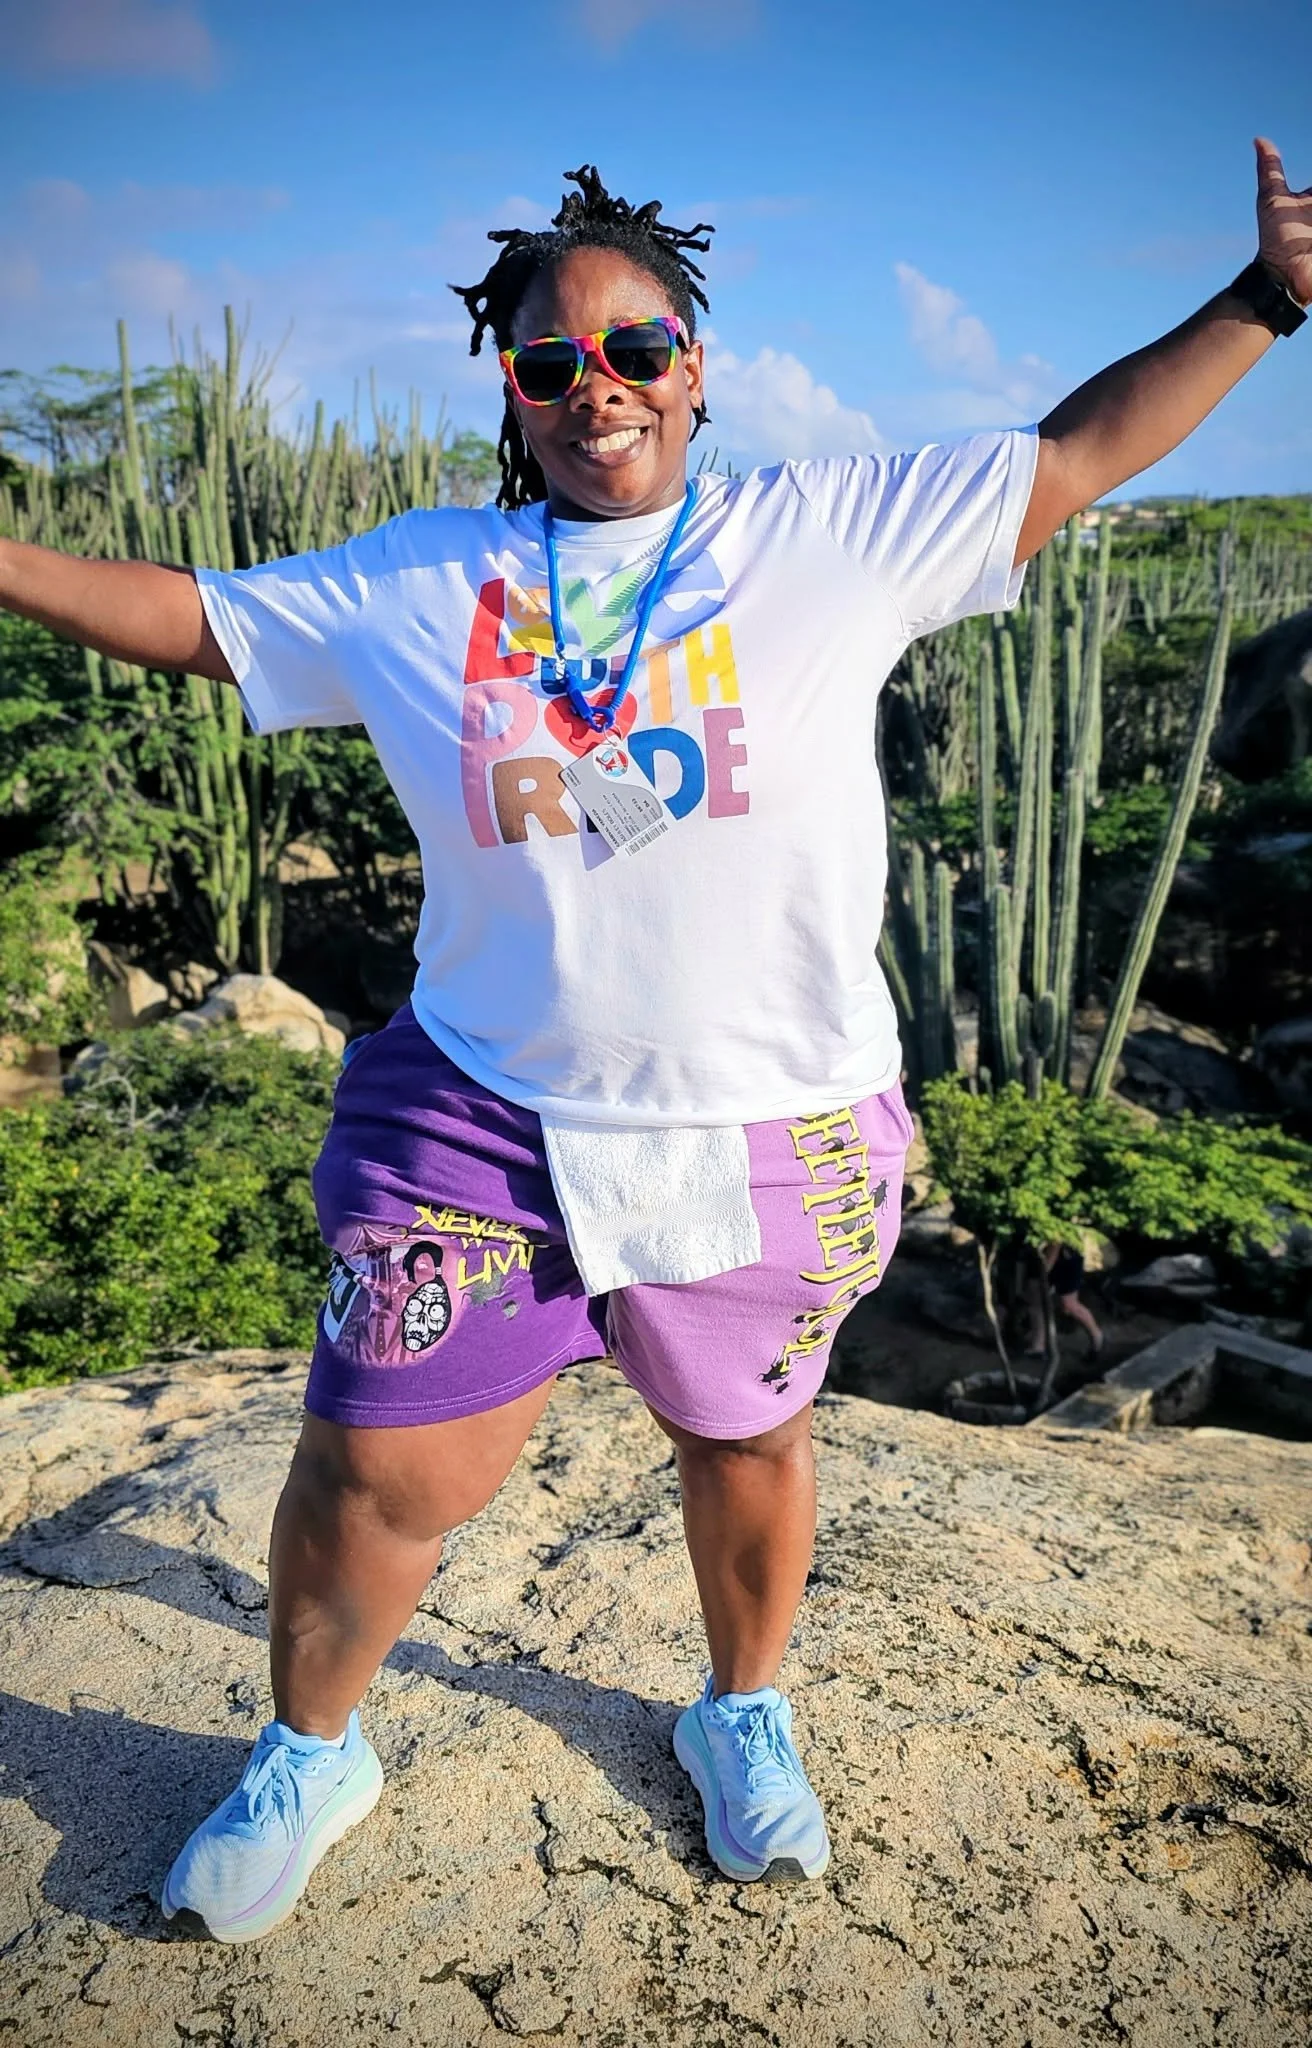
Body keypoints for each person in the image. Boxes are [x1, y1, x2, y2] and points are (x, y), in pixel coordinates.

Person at [1, 148, 1307, 1941]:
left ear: (695, 363)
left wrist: (1268, 298)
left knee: (744, 1444)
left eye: (635, 345)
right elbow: (194, 619)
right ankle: (314, 1749)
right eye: (550, 362)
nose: (594, 382)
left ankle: (739, 1707)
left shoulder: (830, 534)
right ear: (514, 392)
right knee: (377, 1463)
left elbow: (1078, 455)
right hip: (481, 1109)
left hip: (769, 1112)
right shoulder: (425, 579)